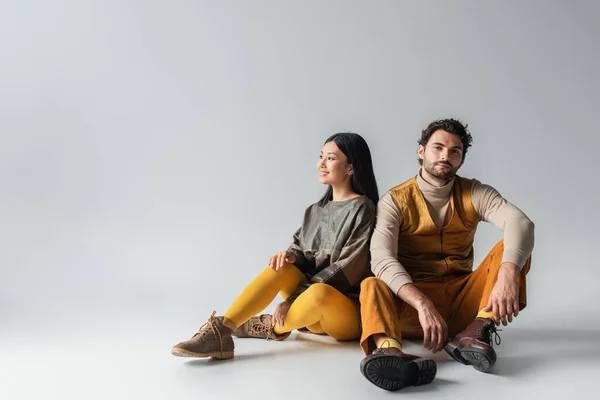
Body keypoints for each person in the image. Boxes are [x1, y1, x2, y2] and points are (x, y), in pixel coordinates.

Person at [358, 119, 534, 391]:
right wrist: (422, 304)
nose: (445, 156)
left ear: (462, 159)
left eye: (455, 151)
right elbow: (381, 258)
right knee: (372, 283)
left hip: (461, 303)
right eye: (438, 147)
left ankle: (476, 330)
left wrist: (508, 273)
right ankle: (390, 351)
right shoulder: (395, 200)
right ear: (421, 151)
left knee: (511, 250)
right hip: (410, 309)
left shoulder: (474, 192)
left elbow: (521, 223)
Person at [171, 132, 379, 360]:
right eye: (321, 156)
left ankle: (270, 325)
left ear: (351, 168)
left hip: (343, 313)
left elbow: (350, 266)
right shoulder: (315, 210)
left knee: (319, 293)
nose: (320, 164)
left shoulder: (364, 208)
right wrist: (290, 256)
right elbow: (300, 249)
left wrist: (292, 299)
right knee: (280, 266)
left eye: (330, 158)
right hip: (307, 312)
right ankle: (222, 330)